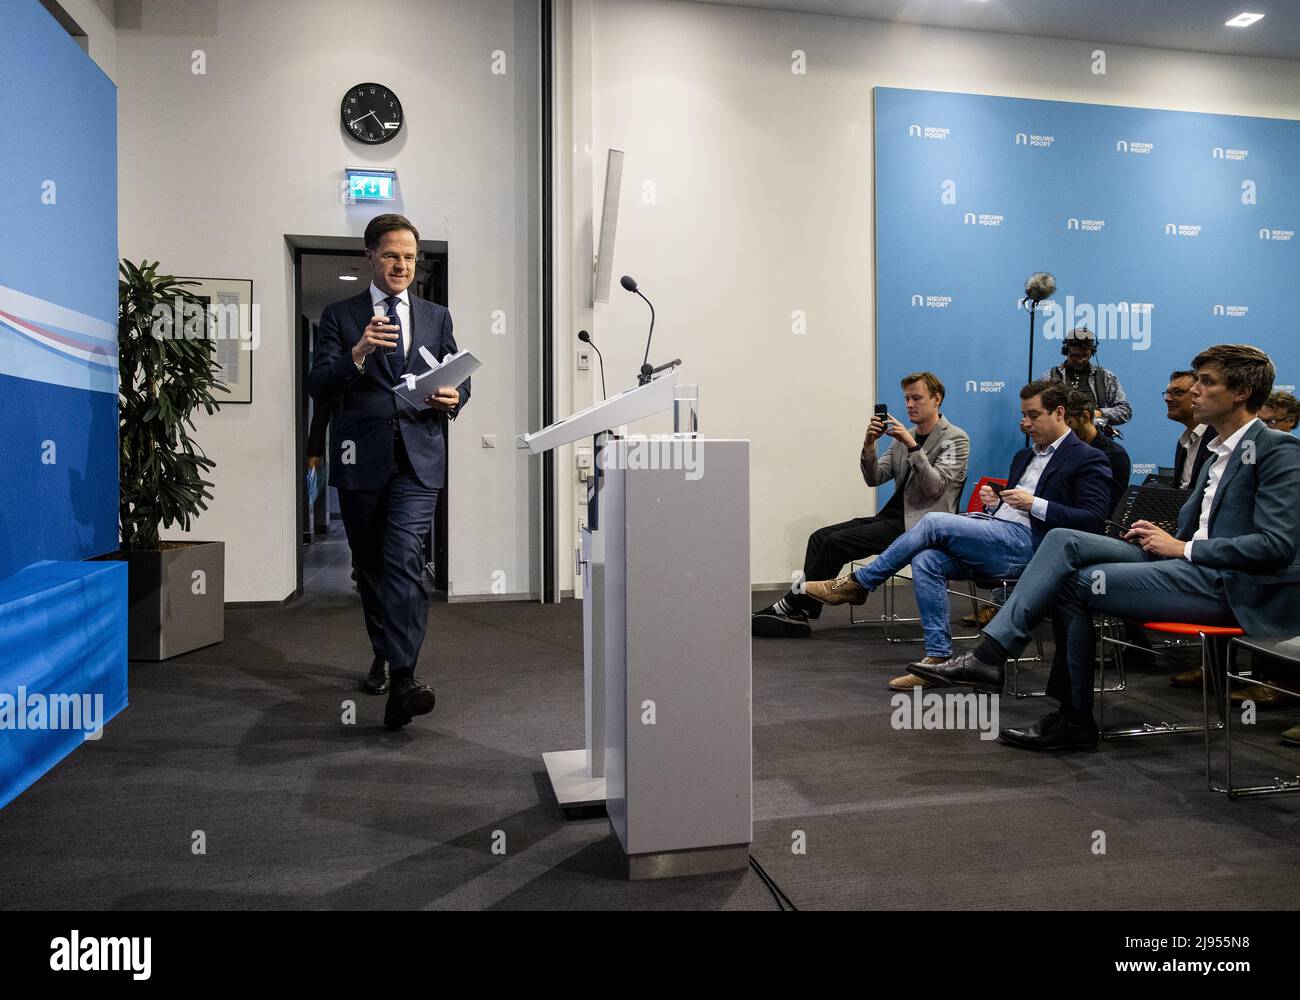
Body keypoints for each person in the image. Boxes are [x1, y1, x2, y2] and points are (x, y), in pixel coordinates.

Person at [914, 345, 1300, 751]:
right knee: (1064, 539)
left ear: (1241, 393)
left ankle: (1047, 699)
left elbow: (1275, 546)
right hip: (1188, 562)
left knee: (1072, 585)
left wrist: (1183, 548)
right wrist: (1163, 535)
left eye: (1207, 383)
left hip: (1228, 585)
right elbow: (1207, 525)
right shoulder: (1216, 450)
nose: (1194, 392)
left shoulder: (1277, 449)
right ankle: (1002, 666)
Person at [802, 380, 1111, 689]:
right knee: (927, 558)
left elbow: (1093, 521)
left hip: (1033, 549)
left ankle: (859, 583)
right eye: (1023, 415)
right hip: (998, 535)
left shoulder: (1087, 458)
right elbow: (875, 477)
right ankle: (937, 658)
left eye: (1033, 415)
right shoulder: (1024, 456)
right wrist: (996, 505)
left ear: (1059, 413)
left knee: (935, 521)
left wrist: (1036, 504)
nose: (1025, 423)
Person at [308, 213, 471, 730]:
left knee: (403, 557)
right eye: (392, 255)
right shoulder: (340, 315)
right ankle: (384, 651)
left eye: (409, 257)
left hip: (419, 456)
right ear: (370, 258)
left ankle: (404, 677)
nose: (402, 265)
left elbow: (458, 375)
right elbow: (319, 385)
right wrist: (357, 353)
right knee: (372, 567)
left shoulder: (436, 314)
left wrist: (455, 395)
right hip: (361, 459)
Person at [752, 372, 968, 641]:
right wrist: (869, 444)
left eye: (917, 398)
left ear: (936, 400)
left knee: (836, 543)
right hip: (892, 517)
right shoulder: (906, 436)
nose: (910, 404)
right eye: (907, 398)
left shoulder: (955, 439)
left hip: (921, 525)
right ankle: (800, 611)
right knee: (820, 537)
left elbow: (935, 487)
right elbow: (874, 478)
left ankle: (790, 606)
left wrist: (913, 447)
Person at [1040, 327, 1131, 435]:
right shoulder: (1050, 377)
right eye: (1075, 356)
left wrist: (1099, 414)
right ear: (1066, 351)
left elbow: (1125, 411)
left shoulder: (1105, 377)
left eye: (1084, 355)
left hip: (1096, 441)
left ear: (1092, 352)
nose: (1080, 360)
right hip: (1059, 441)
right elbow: (1039, 411)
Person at [1064, 389, 1129, 515]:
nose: (1063, 430)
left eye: (1068, 423)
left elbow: (1112, 510)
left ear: (1085, 417)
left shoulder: (1115, 455)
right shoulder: (1062, 450)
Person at [1166, 369, 1213, 489]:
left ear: (1198, 394)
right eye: (1167, 393)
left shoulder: (1219, 438)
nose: (1168, 399)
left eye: (1177, 393)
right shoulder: (1183, 442)